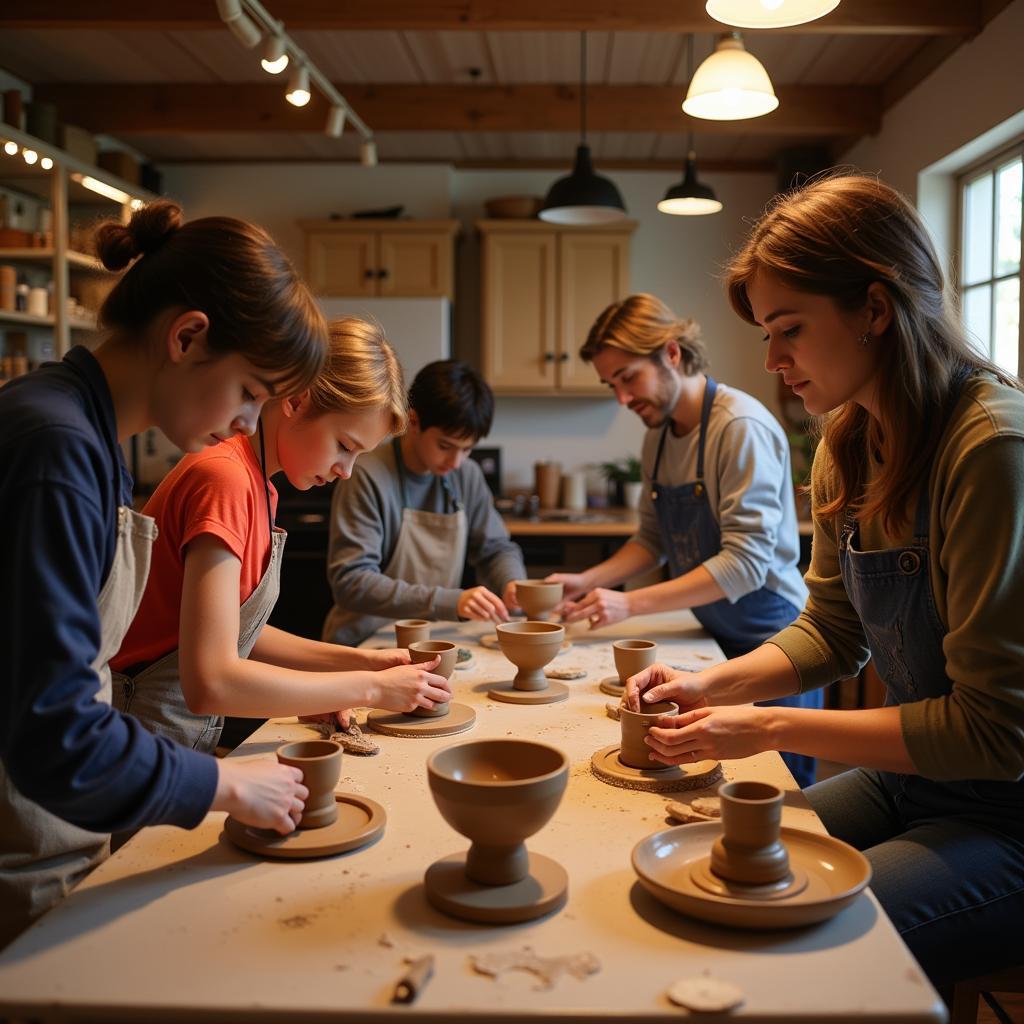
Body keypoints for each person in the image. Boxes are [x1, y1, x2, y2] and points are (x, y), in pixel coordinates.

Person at [627, 174, 1024, 990]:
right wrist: (714, 686)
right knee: (697, 861)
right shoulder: (851, 438)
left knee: (784, 950)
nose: (772, 361)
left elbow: (994, 735)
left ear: (875, 310)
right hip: (912, 783)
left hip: (1005, 816)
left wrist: (770, 728)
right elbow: (834, 631)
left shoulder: (989, 452)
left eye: (789, 330)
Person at [0, 200, 322, 948]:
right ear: (187, 336)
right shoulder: (55, 450)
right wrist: (222, 783)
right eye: (250, 392)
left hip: (55, 827)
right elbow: (56, 736)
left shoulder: (84, 437)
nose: (249, 424)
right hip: (19, 852)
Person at [111, 317, 452, 755]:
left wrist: (365, 662)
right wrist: (368, 688)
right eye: (344, 446)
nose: (344, 471)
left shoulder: (257, 483)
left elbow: (237, 635)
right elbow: (211, 682)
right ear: (297, 400)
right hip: (135, 735)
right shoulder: (225, 479)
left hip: (176, 737)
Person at [550, 294, 821, 786]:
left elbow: (744, 565)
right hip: (714, 637)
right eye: (611, 385)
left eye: (628, 377)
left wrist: (628, 605)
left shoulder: (738, 426)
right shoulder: (659, 433)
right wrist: (588, 580)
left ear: (671, 354)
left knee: (779, 792)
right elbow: (653, 538)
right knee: (717, 783)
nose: (622, 399)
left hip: (773, 640)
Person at [323, 359, 527, 647]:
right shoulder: (368, 474)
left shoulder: (466, 476)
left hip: (435, 641)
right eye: (445, 446)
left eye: (467, 449)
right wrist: (451, 601)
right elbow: (352, 581)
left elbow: (495, 549)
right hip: (366, 642)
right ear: (413, 421)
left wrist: (512, 582)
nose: (455, 462)